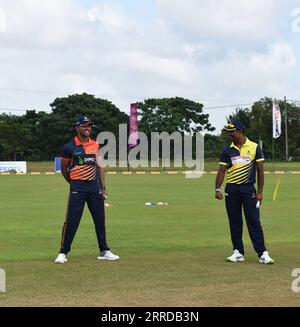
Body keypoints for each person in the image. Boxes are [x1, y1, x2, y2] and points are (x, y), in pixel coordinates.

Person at [54, 115, 119, 263]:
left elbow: (100, 167)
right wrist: (73, 182)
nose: (87, 128)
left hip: (94, 187)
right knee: (72, 220)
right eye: (84, 126)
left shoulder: (96, 145)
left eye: (89, 125)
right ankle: (63, 252)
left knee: (100, 220)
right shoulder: (69, 147)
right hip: (77, 187)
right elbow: (65, 169)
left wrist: (103, 187)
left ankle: (104, 251)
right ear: (77, 127)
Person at [215, 121, 274, 264]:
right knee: (235, 222)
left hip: (248, 190)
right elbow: (222, 171)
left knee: (253, 221)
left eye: (232, 132)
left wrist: (260, 192)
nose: (229, 135)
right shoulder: (227, 150)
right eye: (228, 132)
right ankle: (238, 252)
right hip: (232, 189)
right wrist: (217, 188)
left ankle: (263, 253)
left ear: (240, 131)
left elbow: (260, 170)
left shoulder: (254, 147)